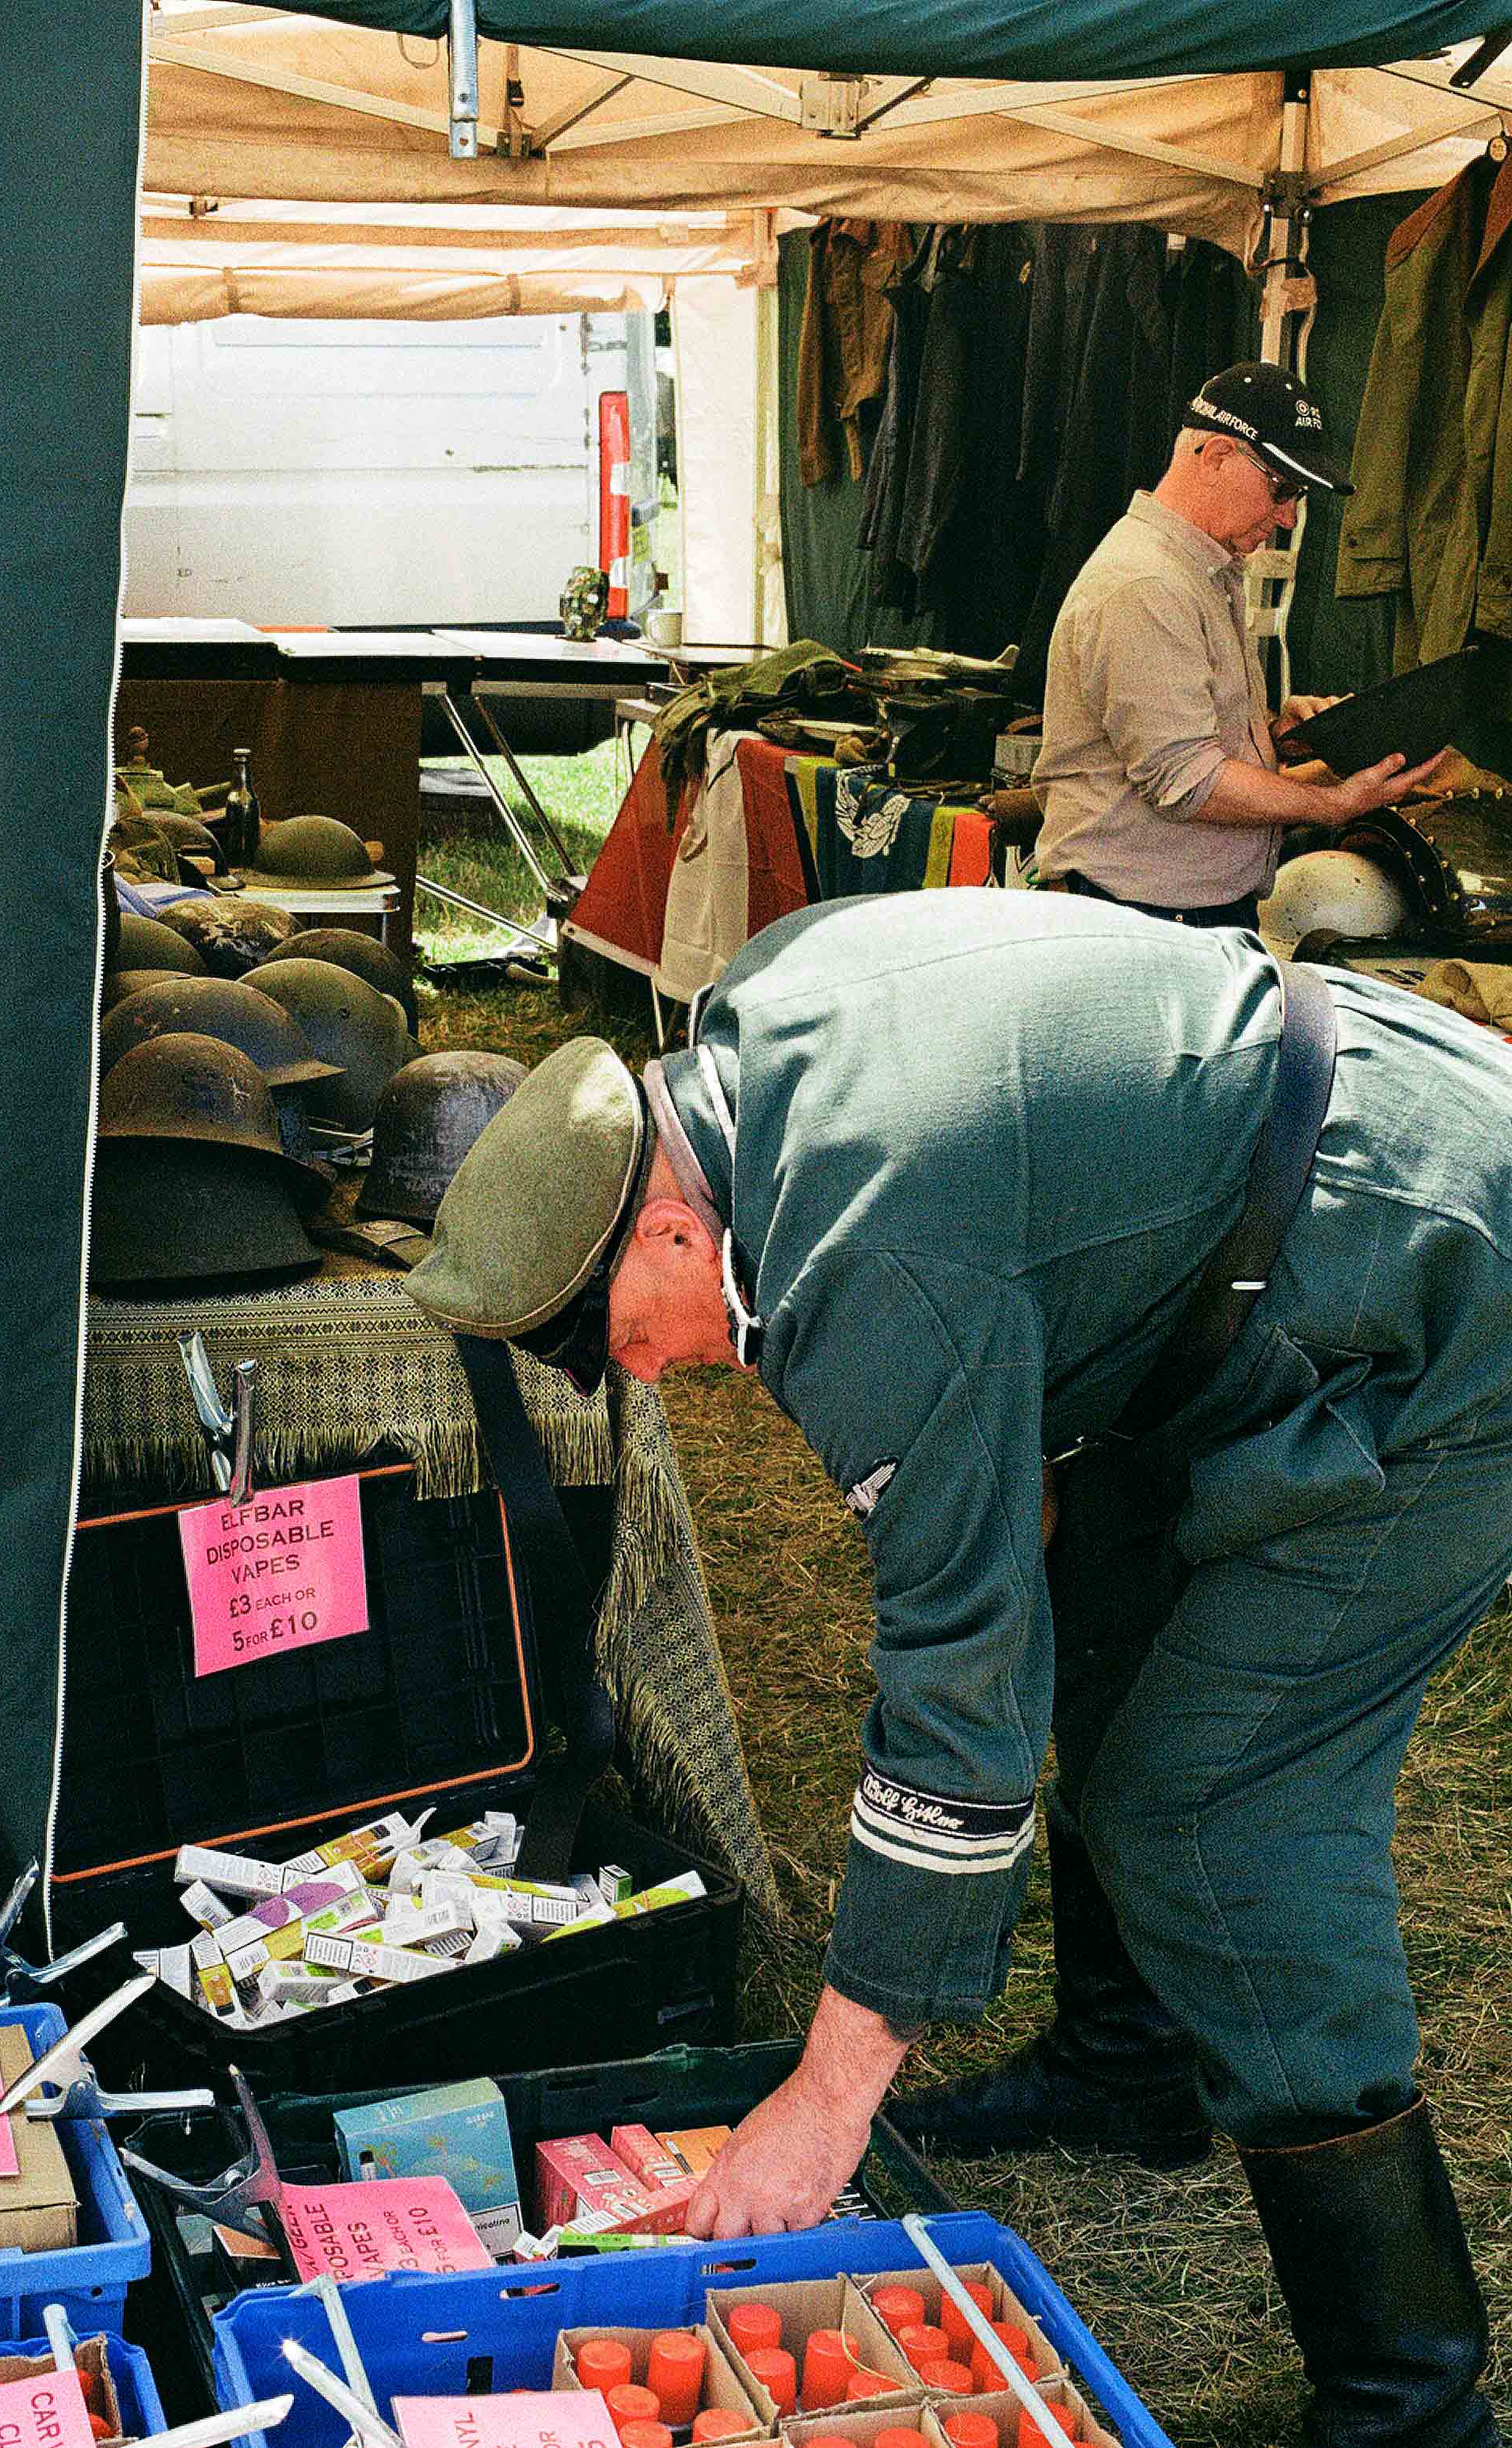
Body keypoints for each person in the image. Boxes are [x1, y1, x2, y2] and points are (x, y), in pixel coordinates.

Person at [409, 892, 1512, 2447]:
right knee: (1100, 1643)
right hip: (1261, 1232)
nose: (641, 1371)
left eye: (609, 1340)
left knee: (1211, 1810)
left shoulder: (868, 1254)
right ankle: (1132, 2077)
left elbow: (955, 1675)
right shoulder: (753, 1035)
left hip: (1442, 1290)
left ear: (666, 1228)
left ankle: (1414, 2403)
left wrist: (827, 2098)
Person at [1033, 361, 1442, 927]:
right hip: (1140, 918)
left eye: (1297, 494)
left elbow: (1192, 737)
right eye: (1281, 488)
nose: (1288, 516)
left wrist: (1281, 736)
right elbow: (1187, 781)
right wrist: (1333, 805)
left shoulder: (1202, 570)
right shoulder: (1148, 584)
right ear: (1219, 456)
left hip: (1173, 913)